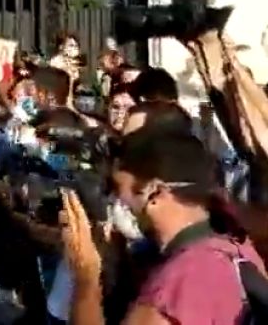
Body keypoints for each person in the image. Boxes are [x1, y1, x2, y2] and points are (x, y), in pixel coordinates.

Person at [62, 128, 267, 324]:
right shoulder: (233, 244)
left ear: (155, 194)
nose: (113, 200)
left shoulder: (183, 279)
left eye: (116, 188)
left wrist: (86, 279)